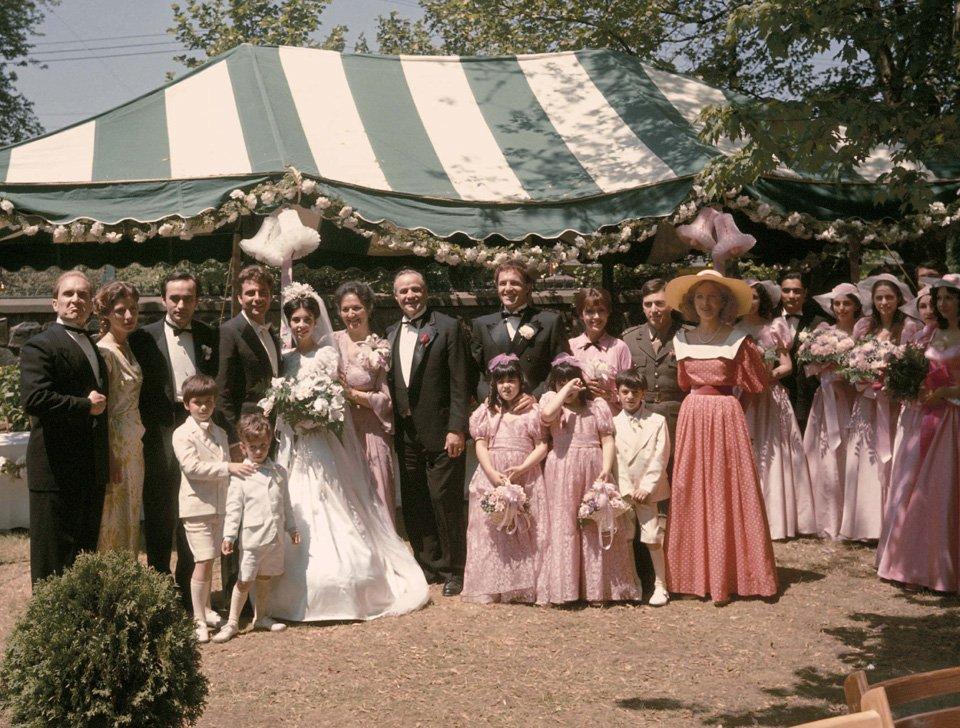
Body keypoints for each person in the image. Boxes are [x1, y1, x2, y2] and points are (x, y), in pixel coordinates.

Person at [270, 285, 429, 620]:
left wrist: (318, 414)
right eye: (295, 319)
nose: (301, 325)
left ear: (315, 321)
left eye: (307, 319)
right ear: (288, 322)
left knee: (339, 503)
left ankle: (349, 582)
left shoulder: (329, 355)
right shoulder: (284, 358)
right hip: (297, 445)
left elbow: (335, 397)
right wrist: (294, 418)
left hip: (324, 441)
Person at [663, 269, 778, 603]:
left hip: (726, 414)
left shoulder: (738, 339)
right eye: (699, 297)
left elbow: (758, 383)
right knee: (691, 488)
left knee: (727, 488)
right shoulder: (681, 339)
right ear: (690, 303)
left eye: (713, 296)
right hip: (693, 416)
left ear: (725, 302)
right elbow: (686, 383)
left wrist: (733, 407)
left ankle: (734, 574)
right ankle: (693, 574)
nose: (706, 303)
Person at [130, 271, 220, 605]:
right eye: (175, 298)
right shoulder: (143, 337)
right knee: (160, 508)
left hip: (199, 429)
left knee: (194, 508)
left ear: (197, 300)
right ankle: (157, 586)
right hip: (160, 431)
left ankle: (187, 588)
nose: (181, 305)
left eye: (188, 298)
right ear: (164, 300)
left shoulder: (210, 334)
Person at [20, 270, 109, 583]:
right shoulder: (40, 345)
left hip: (89, 469)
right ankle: (47, 628)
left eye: (83, 294)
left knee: (82, 558)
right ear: (54, 302)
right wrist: (84, 405)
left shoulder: (92, 344)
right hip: (54, 468)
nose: (76, 300)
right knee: (52, 557)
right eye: (69, 294)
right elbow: (34, 399)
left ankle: (77, 625)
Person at [387, 270, 471, 596]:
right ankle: (427, 564)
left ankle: (454, 569)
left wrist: (457, 428)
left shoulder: (447, 328)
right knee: (414, 500)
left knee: (444, 499)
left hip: (441, 431)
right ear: (395, 297)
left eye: (415, 289)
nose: (410, 296)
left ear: (426, 292)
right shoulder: (391, 332)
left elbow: (460, 383)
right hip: (404, 432)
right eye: (403, 291)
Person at [877, 275, 960, 592]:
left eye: (949, 298)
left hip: (953, 416)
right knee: (920, 487)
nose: (942, 304)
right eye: (939, 299)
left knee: (944, 487)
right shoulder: (934, 332)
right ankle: (917, 563)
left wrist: (946, 391)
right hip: (928, 415)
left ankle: (945, 568)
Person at [538, 355, 640, 604]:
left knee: (596, 523)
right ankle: (567, 589)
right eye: (560, 382)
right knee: (565, 525)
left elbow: (607, 438)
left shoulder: (597, 407)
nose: (568, 387)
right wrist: (563, 391)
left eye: (571, 381)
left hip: (593, 466)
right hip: (562, 467)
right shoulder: (551, 401)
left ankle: (598, 589)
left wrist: (606, 468)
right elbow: (547, 415)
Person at [172, 374, 256, 643]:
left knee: (212, 563)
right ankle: (197, 619)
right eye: (197, 402)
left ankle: (206, 610)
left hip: (220, 506)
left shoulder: (219, 432)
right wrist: (228, 467)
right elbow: (192, 468)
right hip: (196, 507)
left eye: (209, 402)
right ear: (187, 404)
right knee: (203, 561)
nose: (204, 407)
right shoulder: (182, 433)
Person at [463, 354, 548, 604]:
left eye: (512, 380)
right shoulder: (486, 412)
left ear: (521, 382)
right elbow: (480, 444)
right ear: (494, 384)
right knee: (492, 530)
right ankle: (491, 584)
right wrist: (490, 472)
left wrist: (523, 467)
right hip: (493, 474)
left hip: (523, 473)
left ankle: (521, 585)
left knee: (522, 528)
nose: (507, 386)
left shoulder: (532, 411)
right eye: (501, 382)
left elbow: (542, 445)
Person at [841, 273, 919, 541]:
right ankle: (863, 525)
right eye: (879, 298)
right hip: (866, 403)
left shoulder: (909, 327)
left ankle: (889, 521)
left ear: (899, 299)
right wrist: (861, 376)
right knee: (864, 456)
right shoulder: (864, 326)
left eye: (889, 297)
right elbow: (851, 361)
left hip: (894, 402)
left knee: (890, 457)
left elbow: (911, 367)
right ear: (872, 301)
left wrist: (890, 381)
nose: (884, 302)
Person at [737, 280, 817, 540]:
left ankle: (776, 518)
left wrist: (764, 376)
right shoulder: (731, 329)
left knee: (772, 452)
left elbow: (787, 366)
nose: (751, 302)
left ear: (764, 301)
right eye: (746, 297)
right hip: (741, 396)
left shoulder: (773, 327)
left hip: (769, 397)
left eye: (756, 297)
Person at [213, 413, 300, 643]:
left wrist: (291, 528)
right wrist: (229, 536)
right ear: (243, 447)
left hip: (274, 537)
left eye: (263, 445)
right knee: (245, 579)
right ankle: (232, 622)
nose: (259, 451)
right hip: (253, 538)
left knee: (264, 578)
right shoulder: (242, 476)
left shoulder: (279, 472)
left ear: (269, 442)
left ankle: (261, 616)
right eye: (253, 447)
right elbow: (234, 509)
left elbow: (286, 503)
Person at [333, 281, 397, 526]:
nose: (351, 315)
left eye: (357, 308)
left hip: (371, 430)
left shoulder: (380, 347)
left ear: (369, 309)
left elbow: (386, 400)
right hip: (340, 431)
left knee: (378, 491)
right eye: (345, 309)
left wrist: (352, 394)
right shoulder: (332, 340)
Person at [803, 283, 861, 539]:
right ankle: (826, 517)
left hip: (850, 398)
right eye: (836, 304)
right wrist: (820, 364)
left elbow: (862, 370)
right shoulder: (824, 331)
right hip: (826, 399)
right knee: (825, 454)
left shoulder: (863, 334)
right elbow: (809, 369)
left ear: (856, 306)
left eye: (846, 303)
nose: (840, 308)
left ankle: (852, 518)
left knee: (850, 454)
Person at [93, 281, 145, 553]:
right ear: (106, 314)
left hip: (134, 441)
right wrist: (109, 455)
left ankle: (128, 579)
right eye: (121, 310)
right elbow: (103, 412)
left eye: (133, 309)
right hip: (115, 444)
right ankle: (110, 585)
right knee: (113, 515)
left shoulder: (128, 346)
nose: (128, 316)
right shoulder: (105, 352)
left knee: (131, 512)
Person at [612, 369, 670, 606]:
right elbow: (613, 457)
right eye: (625, 392)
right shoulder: (612, 423)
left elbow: (661, 456)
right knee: (626, 536)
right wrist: (625, 488)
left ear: (643, 393)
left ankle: (660, 585)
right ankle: (632, 584)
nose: (630, 397)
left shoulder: (657, 421)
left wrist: (646, 487)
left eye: (635, 392)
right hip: (624, 490)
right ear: (617, 394)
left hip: (648, 491)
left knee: (652, 536)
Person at [470, 259, 567, 399]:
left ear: (528, 287)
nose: (508, 288)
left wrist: (536, 397)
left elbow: (561, 366)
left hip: (535, 408)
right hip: (495, 409)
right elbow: (473, 371)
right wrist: (488, 398)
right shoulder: (481, 324)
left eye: (514, 283)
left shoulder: (550, 322)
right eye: (502, 283)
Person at [216, 265, 282, 434]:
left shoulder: (271, 333)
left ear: (270, 297)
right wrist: (233, 437)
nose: (257, 298)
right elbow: (222, 390)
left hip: (274, 427)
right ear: (239, 298)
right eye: (250, 293)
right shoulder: (229, 331)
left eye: (263, 293)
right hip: (246, 430)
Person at [621, 278, 687, 445]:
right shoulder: (629, 339)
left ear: (671, 304)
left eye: (659, 303)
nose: (654, 310)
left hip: (676, 419)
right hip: (640, 417)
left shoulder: (687, 336)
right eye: (648, 304)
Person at [776, 270, 831, 430]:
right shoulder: (768, 320)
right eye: (786, 290)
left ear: (805, 293)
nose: (791, 295)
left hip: (807, 399)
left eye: (797, 291)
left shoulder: (818, 323)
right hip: (775, 397)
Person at [568, 288, 632, 411]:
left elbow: (630, 390)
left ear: (608, 312)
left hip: (611, 419)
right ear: (581, 315)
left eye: (601, 310)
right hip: (579, 420)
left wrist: (609, 395)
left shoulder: (619, 347)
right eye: (590, 311)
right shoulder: (571, 347)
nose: (596, 317)